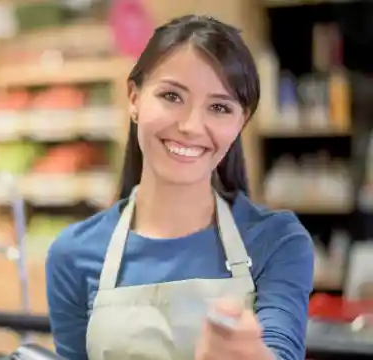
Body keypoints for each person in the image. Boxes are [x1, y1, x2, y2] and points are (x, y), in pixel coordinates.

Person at [45, 15, 314, 360]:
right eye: (172, 96)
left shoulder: (277, 241)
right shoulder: (72, 254)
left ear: (240, 122)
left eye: (219, 107)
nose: (190, 126)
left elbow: (281, 350)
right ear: (134, 98)